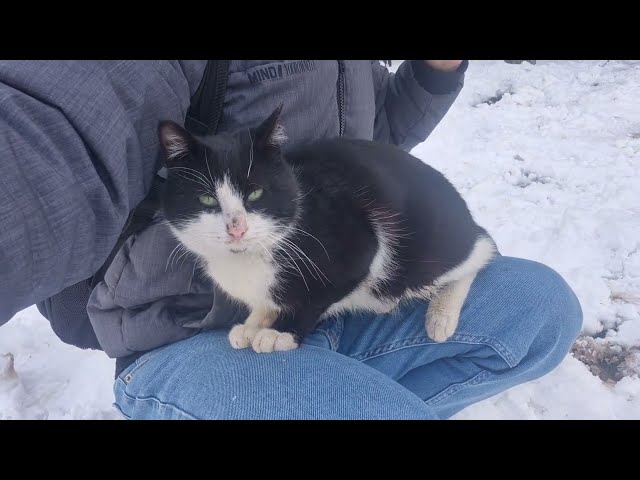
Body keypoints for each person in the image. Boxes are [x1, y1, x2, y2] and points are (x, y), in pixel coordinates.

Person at [0, 60, 582, 419]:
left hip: (329, 299)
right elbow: (51, 142)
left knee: (542, 310)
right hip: (187, 337)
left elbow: (376, 135)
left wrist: (436, 71)